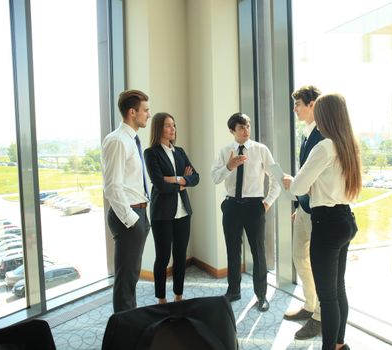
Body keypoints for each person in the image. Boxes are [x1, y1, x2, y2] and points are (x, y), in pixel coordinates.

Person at [283, 93, 361, 350]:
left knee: (327, 298)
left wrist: (291, 182)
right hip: (345, 219)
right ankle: (339, 345)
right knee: (338, 289)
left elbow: (298, 187)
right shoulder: (348, 144)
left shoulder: (324, 146)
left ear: (325, 115)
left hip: (326, 224)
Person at [211, 113, 280, 312]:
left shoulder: (261, 150)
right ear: (232, 131)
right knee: (232, 250)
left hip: (254, 206)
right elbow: (215, 178)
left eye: (248, 125)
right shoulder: (225, 152)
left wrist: (266, 203)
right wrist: (229, 167)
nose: (246, 130)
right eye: (241, 127)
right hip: (231, 206)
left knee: (258, 252)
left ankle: (261, 295)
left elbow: (275, 178)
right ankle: (233, 291)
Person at [101, 89, 151, 313]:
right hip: (128, 215)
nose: (148, 114)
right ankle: (124, 328)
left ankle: (129, 320)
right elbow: (112, 186)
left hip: (139, 212)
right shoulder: (118, 141)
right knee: (125, 279)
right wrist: (132, 220)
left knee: (131, 275)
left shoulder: (132, 140)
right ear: (132, 112)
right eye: (145, 110)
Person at [144, 112, 199, 304]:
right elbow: (159, 184)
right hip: (162, 213)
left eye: (174, 125)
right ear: (159, 128)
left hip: (183, 212)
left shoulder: (180, 152)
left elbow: (196, 178)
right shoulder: (151, 153)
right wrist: (182, 181)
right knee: (163, 256)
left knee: (180, 255)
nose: (172, 129)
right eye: (168, 125)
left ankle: (178, 295)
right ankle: (161, 298)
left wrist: (175, 179)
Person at [284, 85, 324, 340]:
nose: (295, 109)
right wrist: (298, 205)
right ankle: (310, 304)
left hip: (320, 209)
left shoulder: (323, 136)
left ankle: (319, 316)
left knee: (319, 264)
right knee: (299, 256)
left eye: (298, 104)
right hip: (304, 208)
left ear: (312, 105)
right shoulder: (305, 135)